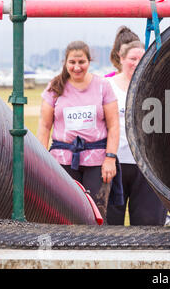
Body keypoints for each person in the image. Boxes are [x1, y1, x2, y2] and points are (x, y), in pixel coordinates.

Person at [37, 40, 122, 223]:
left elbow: (114, 125)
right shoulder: (54, 87)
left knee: (95, 214)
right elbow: (44, 127)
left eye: (81, 62)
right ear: (65, 63)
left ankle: (95, 248)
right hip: (62, 160)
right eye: (72, 62)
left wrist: (110, 158)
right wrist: (42, 161)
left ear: (89, 62)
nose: (77, 67)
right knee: (63, 213)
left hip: (97, 161)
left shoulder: (102, 86)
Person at [105, 39, 168, 226]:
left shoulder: (155, 85)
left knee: (148, 221)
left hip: (146, 165)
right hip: (115, 163)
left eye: (141, 59)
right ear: (121, 59)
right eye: (132, 58)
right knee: (110, 222)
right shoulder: (107, 85)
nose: (136, 63)